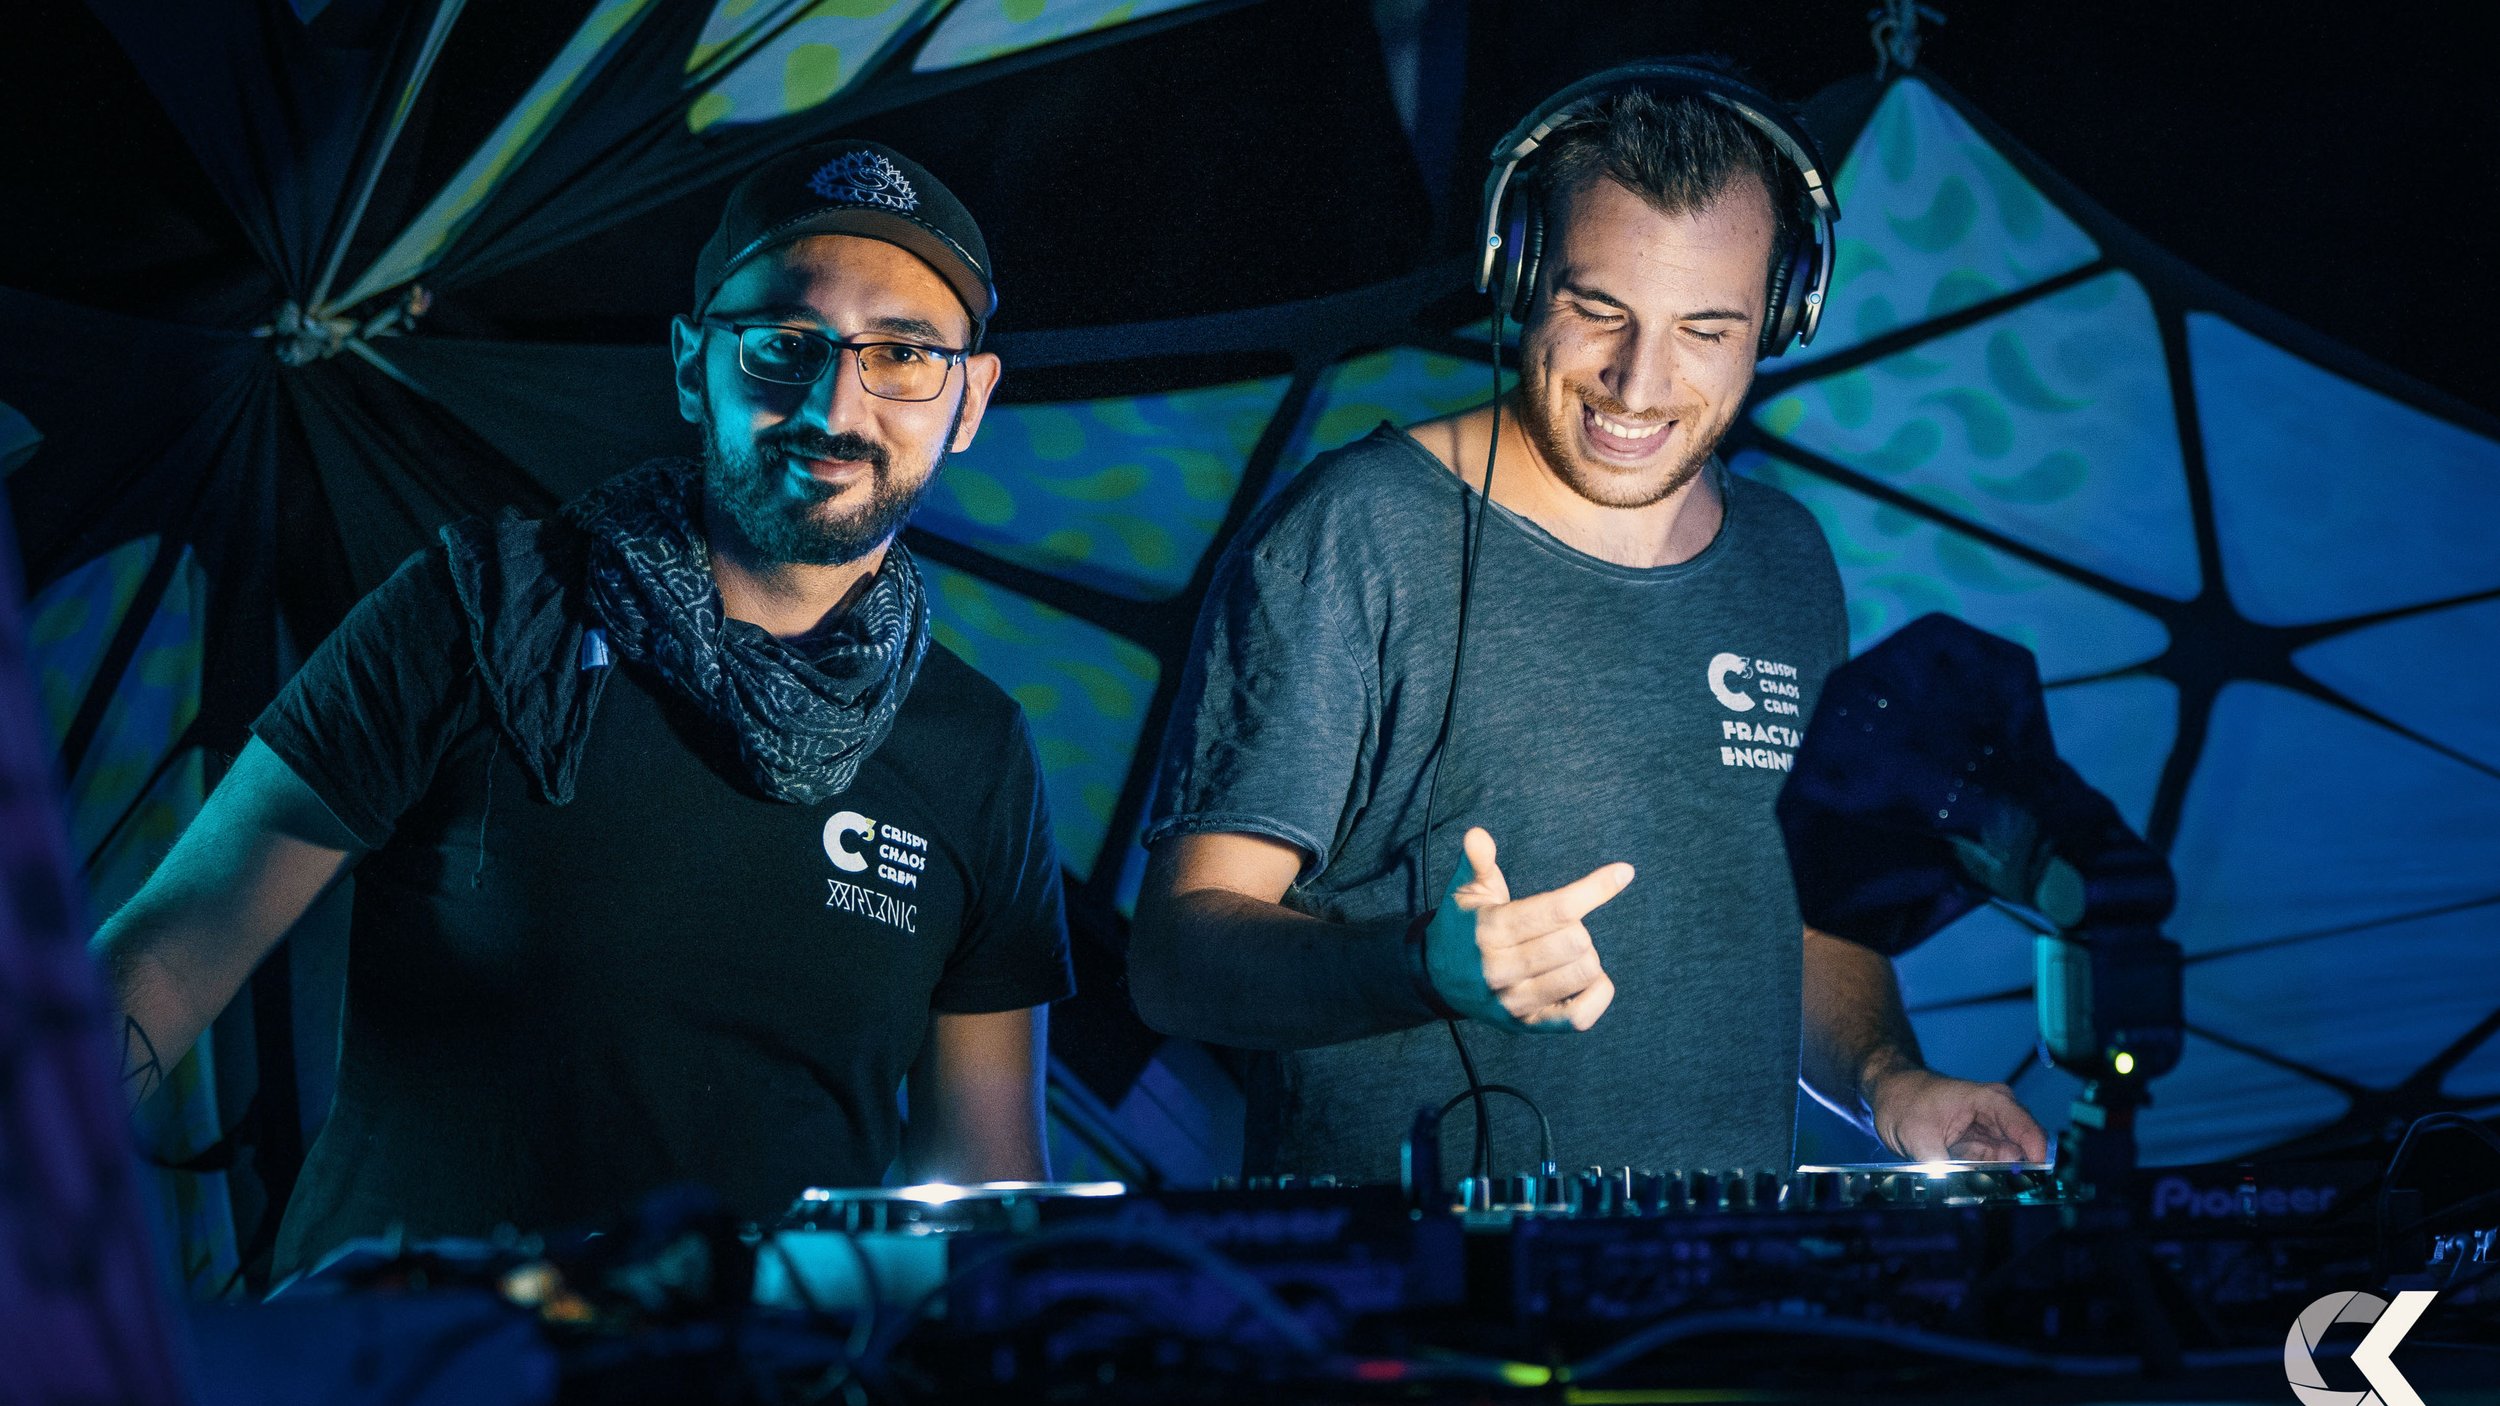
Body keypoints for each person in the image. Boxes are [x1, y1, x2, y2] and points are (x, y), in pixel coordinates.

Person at [92, 141, 1074, 1278]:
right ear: (689, 364)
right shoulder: (486, 609)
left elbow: (988, 1187)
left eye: (901, 353)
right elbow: (173, 954)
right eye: (783, 345)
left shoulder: (978, 749)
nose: (834, 401)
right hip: (407, 1361)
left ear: (969, 400)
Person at [1130, 65, 2048, 1182]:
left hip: (1724, 1295)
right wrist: (1418, 965)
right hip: (1410, 1316)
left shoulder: (1787, 558)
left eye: (1706, 329)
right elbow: (1178, 959)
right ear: (1515, 276)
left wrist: (1889, 1078)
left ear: (1782, 316)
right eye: (1596, 309)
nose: (1637, 383)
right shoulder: (1354, 530)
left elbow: (1801, 917)